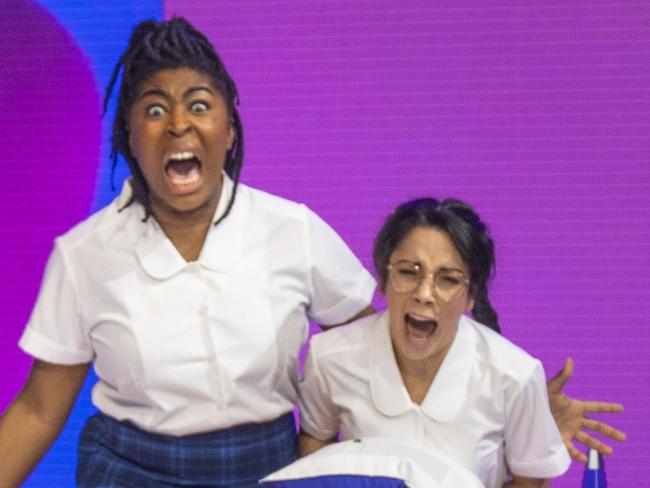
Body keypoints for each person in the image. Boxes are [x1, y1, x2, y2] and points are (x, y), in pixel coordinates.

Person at [0, 17, 623, 488]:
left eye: (199, 105)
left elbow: (387, 347)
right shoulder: (83, 255)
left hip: (268, 470)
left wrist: (516, 417)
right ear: (130, 136)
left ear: (230, 129)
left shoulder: (291, 229)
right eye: (154, 109)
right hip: (131, 470)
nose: (178, 125)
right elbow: (35, 410)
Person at [297, 197, 620, 487]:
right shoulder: (331, 357)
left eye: (448, 280)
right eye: (409, 272)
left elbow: (530, 482)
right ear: (383, 279)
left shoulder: (514, 375)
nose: (423, 294)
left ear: (471, 296)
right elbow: (315, 440)